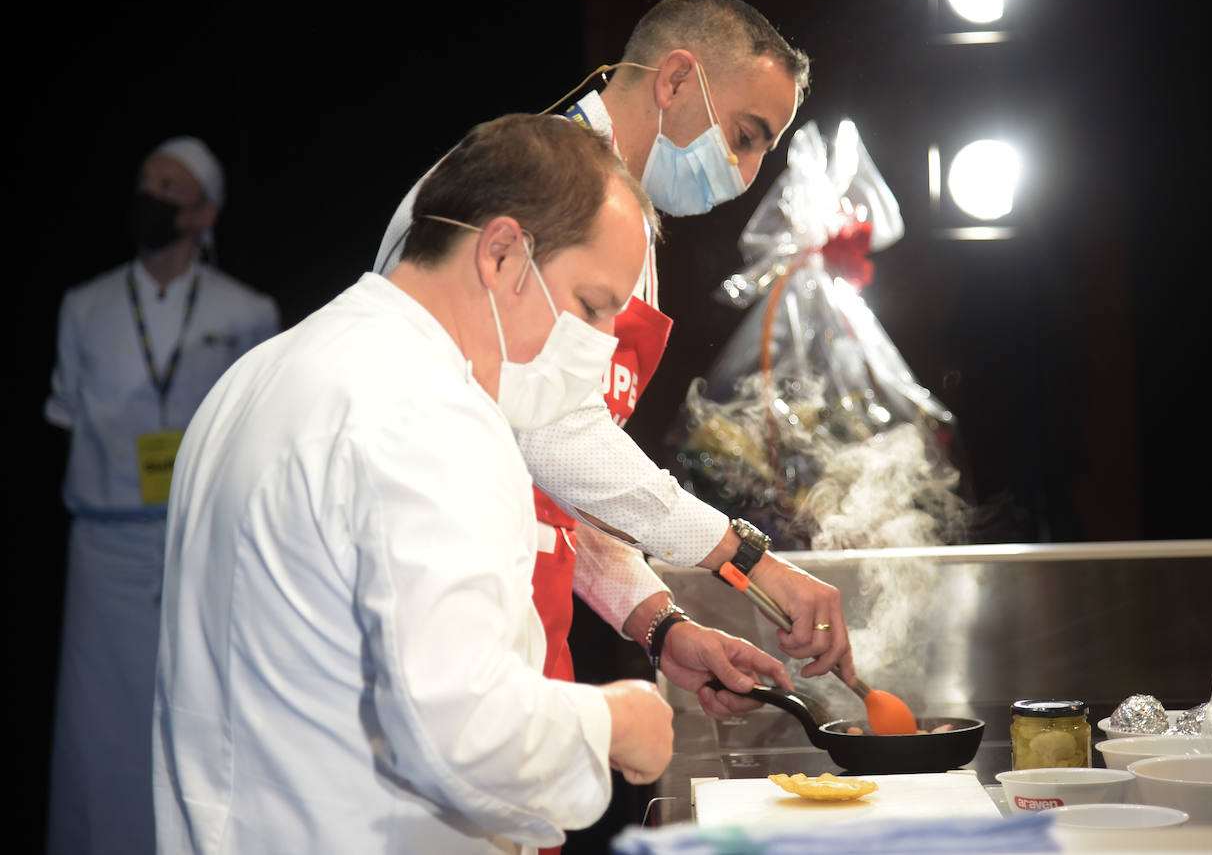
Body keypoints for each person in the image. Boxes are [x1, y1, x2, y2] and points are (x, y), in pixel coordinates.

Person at [154, 114, 788, 854]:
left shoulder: (266, 371)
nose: (597, 347)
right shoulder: (431, 413)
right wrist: (616, 722)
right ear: (502, 253)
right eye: (591, 306)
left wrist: (658, 625)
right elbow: (459, 731)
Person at [375, 0, 854, 723]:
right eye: (745, 135)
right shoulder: (533, 185)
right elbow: (549, 433)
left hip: (523, 608)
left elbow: (563, 480)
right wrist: (745, 558)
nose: (749, 172)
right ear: (675, 80)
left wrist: (659, 622)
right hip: (436, 605)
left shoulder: (623, 216)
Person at [44, 136, 279, 855]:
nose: (150, 197)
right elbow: (65, 414)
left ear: (204, 212)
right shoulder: (84, 307)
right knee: (97, 723)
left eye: (169, 188)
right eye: (144, 181)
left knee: (194, 711)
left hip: (198, 547)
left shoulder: (247, 312)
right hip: (104, 552)